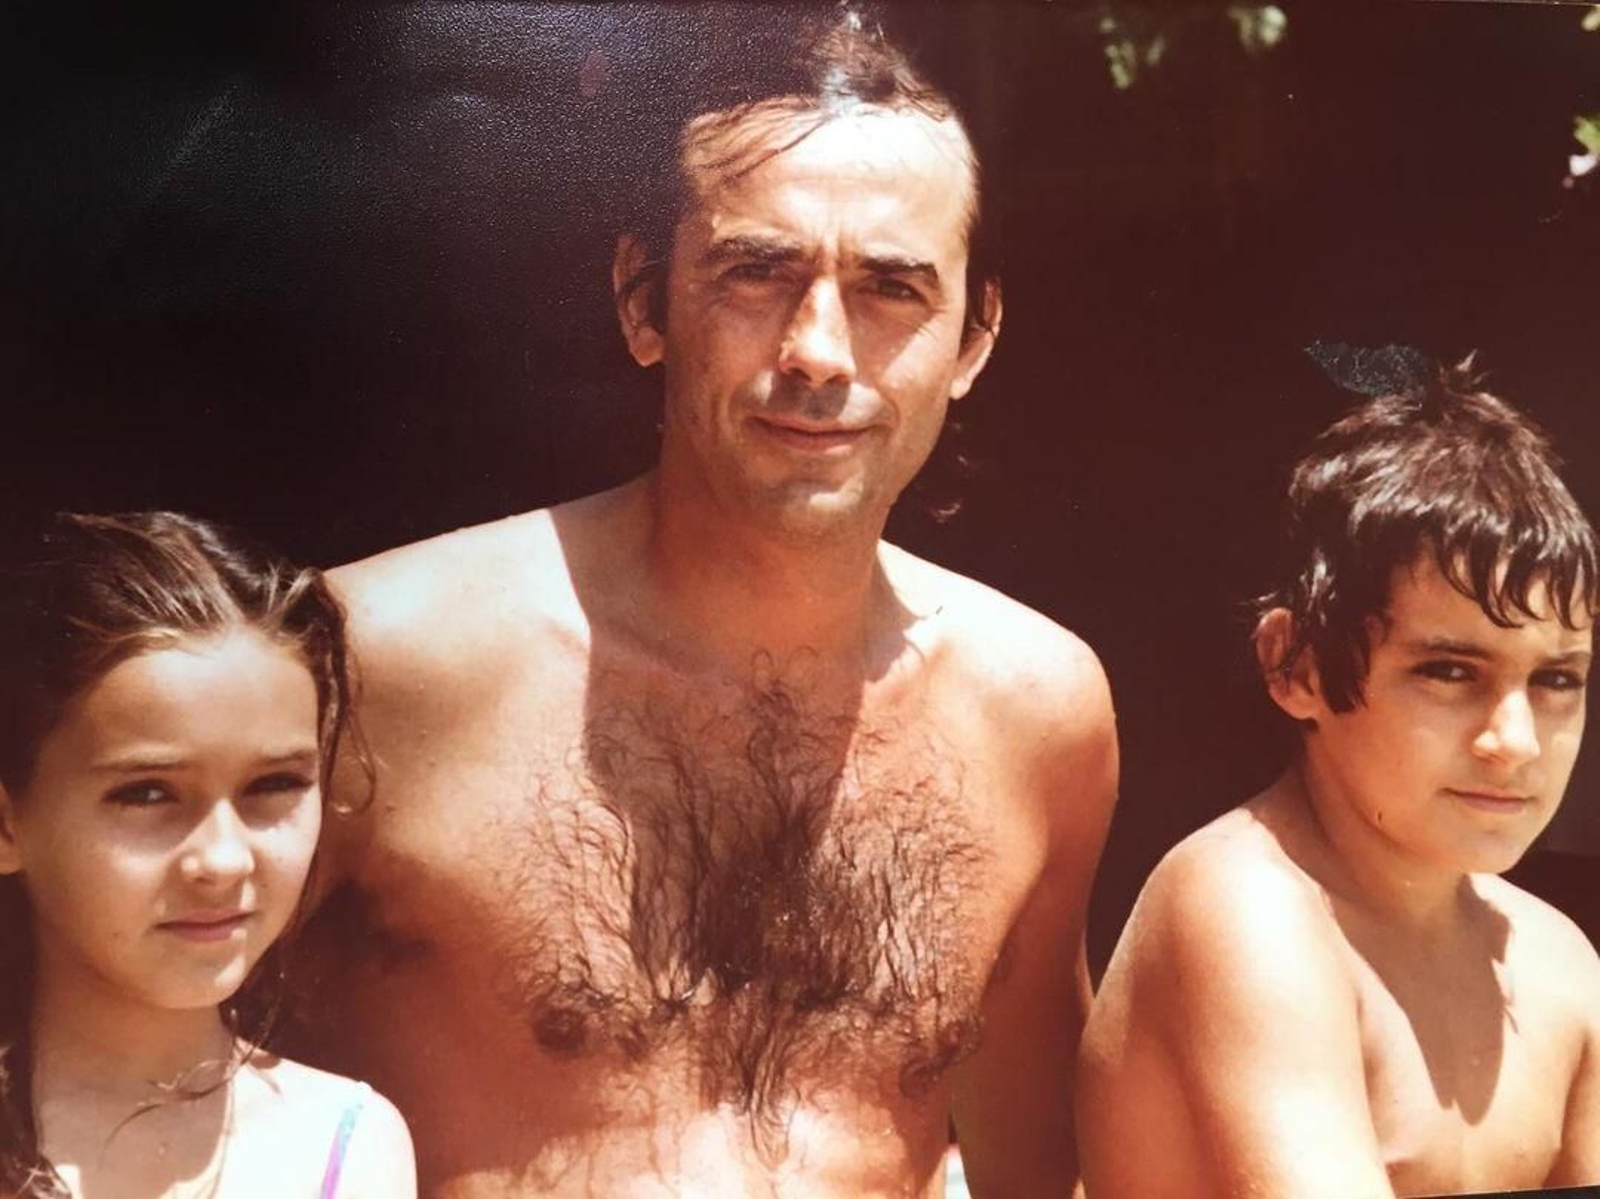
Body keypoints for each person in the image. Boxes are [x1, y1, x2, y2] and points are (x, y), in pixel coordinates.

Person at [292, 8, 1118, 1197]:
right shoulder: (385, 661)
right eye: (756, 272)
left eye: (891, 287)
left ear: (974, 339)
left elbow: (1037, 1167)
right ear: (643, 303)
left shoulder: (1036, 711)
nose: (819, 349)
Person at [1078, 361, 1600, 1197]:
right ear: (1296, 667)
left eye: (1557, 679)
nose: (1515, 740)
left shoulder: (1558, 963)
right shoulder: (1245, 907)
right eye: (1449, 672)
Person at [0, 512, 416, 1198]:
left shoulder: (345, 1145)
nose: (224, 860)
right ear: (8, 824)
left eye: (273, 785)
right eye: (147, 793)